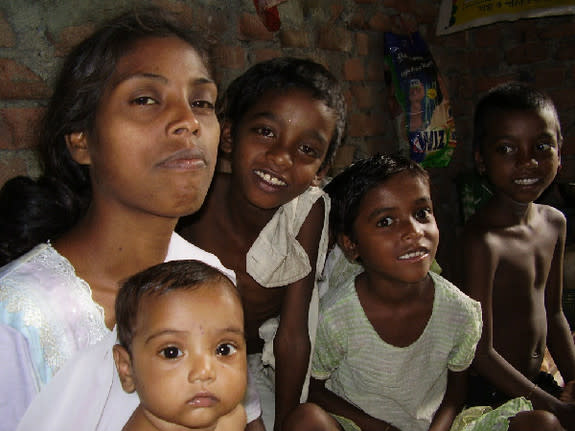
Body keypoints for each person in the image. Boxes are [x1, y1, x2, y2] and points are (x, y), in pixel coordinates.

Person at [0, 8, 234, 431]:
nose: (188, 122)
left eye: (202, 102)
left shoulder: (211, 279)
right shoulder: (18, 321)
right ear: (81, 140)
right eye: (145, 99)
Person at [283, 154, 562, 431]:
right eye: (385, 222)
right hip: (365, 427)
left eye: (421, 213)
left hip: (435, 426)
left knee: (542, 423)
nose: (412, 231)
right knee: (306, 420)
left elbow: (455, 394)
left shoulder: (460, 311)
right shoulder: (336, 316)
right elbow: (316, 390)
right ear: (351, 245)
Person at [177, 56, 347, 431]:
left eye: (307, 151)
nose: (280, 157)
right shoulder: (194, 204)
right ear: (229, 135)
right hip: (189, 365)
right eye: (266, 132)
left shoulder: (307, 214)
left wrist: (286, 421)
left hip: (257, 364)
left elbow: (293, 333)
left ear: (321, 172)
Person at [462, 82, 575, 429]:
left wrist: (573, 381)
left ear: (560, 151)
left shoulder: (554, 223)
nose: (527, 161)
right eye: (507, 149)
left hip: (535, 384)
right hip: (490, 393)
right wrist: (556, 409)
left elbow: (554, 314)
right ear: (481, 159)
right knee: (547, 426)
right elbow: (480, 352)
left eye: (541, 146)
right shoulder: (483, 241)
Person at [112, 259, 247, 431]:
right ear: (127, 368)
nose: (204, 372)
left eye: (224, 349)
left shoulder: (235, 416)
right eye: (171, 352)